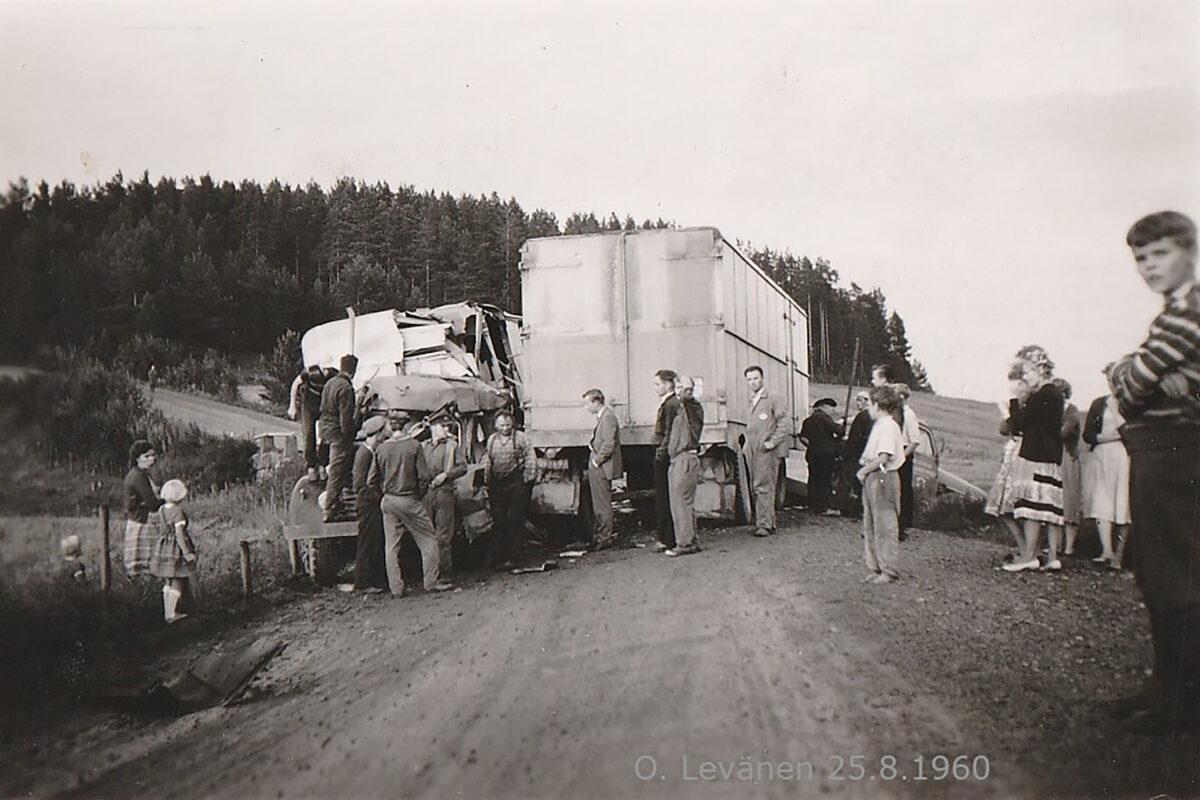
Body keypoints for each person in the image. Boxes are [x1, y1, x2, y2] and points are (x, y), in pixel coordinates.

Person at [1108, 210, 1200, 734]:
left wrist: (1127, 368)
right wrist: (1137, 372)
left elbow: (1130, 387)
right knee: (1157, 572)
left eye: (1160, 254)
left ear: (1189, 251)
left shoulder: (1188, 312)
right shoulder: (1174, 314)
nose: (1148, 266)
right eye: (1141, 258)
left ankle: (1183, 703)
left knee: (1177, 576)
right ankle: (1166, 685)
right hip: (1157, 451)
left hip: (1176, 452)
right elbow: (1138, 382)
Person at [367, 414, 453, 596]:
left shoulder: (381, 448)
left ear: (391, 427)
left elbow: (371, 480)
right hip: (409, 499)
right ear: (406, 426)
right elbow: (423, 477)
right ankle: (431, 581)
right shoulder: (414, 446)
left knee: (391, 546)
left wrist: (383, 494)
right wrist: (418, 496)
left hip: (388, 501)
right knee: (429, 539)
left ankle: (396, 588)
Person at [1001, 346, 1066, 572]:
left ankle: (1029, 556)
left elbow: (1020, 422)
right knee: (1041, 508)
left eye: (1028, 371)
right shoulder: (1053, 394)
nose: (1025, 377)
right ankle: (1035, 555)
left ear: (1040, 368)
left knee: (1031, 508)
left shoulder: (1043, 395)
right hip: (1049, 456)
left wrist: (1012, 399)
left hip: (1037, 455)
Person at [856, 384, 906, 584]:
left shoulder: (888, 425)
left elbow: (884, 456)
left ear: (877, 405)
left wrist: (864, 470)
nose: (868, 408)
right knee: (871, 523)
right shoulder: (880, 425)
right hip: (874, 477)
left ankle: (889, 569)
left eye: (870, 404)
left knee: (885, 524)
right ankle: (876, 567)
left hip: (883, 476)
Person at [1082, 364, 1131, 569]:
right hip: (1102, 455)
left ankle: (1119, 556)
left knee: (1122, 501)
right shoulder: (1099, 403)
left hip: (1124, 455)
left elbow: (1133, 433)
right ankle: (1106, 550)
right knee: (1102, 501)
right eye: (1109, 381)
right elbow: (1088, 434)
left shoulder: (1132, 404)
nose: (1112, 385)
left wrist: (1121, 433)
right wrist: (1104, 437)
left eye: (1115, 381)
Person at [482, 410, 537, 570]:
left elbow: (530, 457)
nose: (505, 428)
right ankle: (498, 557)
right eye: (501, 425)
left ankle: (514, 558)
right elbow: (487, 459)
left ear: (512, 424)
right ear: (496, 425)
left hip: (516, 482)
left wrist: (528, 479)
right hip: (497, 484)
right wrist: (487, 478)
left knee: (515, 519)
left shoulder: (521, 438)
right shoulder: (492, 440)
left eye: (507, 425)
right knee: (499, 521)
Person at [743, 365, 792, 537]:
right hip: (752, 447)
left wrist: (772, 442)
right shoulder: (752, 400)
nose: (753, 382)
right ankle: (768, 522)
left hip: (765, 448)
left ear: (762, 378)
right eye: (749, 379)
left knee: (763, 484)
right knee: (756, 484)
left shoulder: (773, 398)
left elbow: (784, 423)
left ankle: (764, 524)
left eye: (755, 378)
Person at [984, 383, 1026, 563]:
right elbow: (1003, 429)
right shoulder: (1016, 410)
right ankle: (1025, 548)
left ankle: (1028, 550)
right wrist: (1009, 414)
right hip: (1012, 455)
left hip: (1022, 457)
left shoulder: (1030, 411)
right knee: (1006, 509)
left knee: (1017, 507)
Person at [422, 415, 468, 573]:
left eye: (447, 426)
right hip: (426, 493)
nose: (446, 430)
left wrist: (446, 475)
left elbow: (463, 467)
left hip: (444, 493)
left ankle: (444, 572)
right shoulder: (423, 446)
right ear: (432, 427)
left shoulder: (452, 445)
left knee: (443, 535)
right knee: (427, 534)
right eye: (443, 426)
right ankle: (429, 573)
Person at [666, 376, 705, 557]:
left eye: (682, 387)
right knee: (683, 502)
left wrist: (685, 390)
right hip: (682, 459)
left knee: (681, 501)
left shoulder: (692, 407)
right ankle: (690, 540)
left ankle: (685, 543)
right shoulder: (687, 408)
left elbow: (687, 401)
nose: (679, 390)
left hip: (685, 459)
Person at [148, 479, 196, 623]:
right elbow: (180, 535)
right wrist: (187, 553)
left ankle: (167, 612)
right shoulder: (178, 512)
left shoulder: (162, 509)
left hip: (162, 547)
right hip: (175, 549)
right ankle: (172, 613)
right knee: (177, 580)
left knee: (168, 580)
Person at [352, 415, 390, 593]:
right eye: (383, 432)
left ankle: (374, 580)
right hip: (368, 504)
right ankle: (363, 582)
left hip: (371, 503)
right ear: (377, 434)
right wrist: (377, 497)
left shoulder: (370, 452)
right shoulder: (364, 454)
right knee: (367, 542)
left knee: (375, 541)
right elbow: (360, 484)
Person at [319, 355, 359, 522]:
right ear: (354, 370)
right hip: (337, 433)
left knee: (338, 468)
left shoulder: (330, 383)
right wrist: (353, 430)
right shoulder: (346, 388)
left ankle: (339, 504)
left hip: (325, 429)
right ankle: (329, 508)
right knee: (337, 470)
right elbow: (346, 421)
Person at [582, 388, 623, 551]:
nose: (586, 407)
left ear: (596, 402)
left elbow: (608, 444)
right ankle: (600, 536)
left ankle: (604, 538)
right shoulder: (605, 417)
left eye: (587, 403)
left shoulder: (607, 418)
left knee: (602, 504)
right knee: (599, 503)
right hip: (600, 466)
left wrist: (597, 461)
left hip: (602, 467)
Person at [123, 439, 164, 576]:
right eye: (147, 456)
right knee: (143, 566)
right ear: (137, 458)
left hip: (139, 520)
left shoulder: (141, 474)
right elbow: (152, 503)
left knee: (142, 567)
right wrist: (168, 499)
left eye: (153, 455)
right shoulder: (138, 476)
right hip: (141, 523)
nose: (151, 459)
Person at [650, 369, 680, 552]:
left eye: (657, 384)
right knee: (663, 496)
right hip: (664, 453)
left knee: (665, 497)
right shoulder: (669, 403)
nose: (655, 388)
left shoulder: (670, 404)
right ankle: (666, 537)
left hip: (665, 456)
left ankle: (668, 538)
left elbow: (669, 432)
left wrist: (661, 453)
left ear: (668, 384)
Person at [1053, 377, 1083, 556]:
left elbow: (1063, 433)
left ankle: (1069, 546)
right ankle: (1055, 544)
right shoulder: (1051, 411)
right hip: (1053, 455)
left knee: (1069, 500)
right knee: (1054, 499)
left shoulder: (1071, 411)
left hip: (1067, 456)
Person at [289, 364, 333, 481]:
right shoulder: (310, 372)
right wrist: (292, 405)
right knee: (309, 434)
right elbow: (295, 385)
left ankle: (323, 464)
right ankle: (311, 465)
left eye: (329, 369)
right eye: (325, 369)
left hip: (323, 407)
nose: (326, 372)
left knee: (325, 436)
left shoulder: (334, 375)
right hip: (308, 406)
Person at [799, 398, 841, 516]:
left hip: (813, 453)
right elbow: (838, 431)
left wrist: (812, 446)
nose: (832, 410)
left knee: (813, 479)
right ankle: (822, 507)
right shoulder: (825, 418)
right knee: (824, 480)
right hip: (826, 454)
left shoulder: (808, 420)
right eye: (830, 407)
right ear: (822, 406)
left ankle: (812, 504)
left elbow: (803, 438)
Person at [893, 384, 921, 538]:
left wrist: (902, 457)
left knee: (902, 490)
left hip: (903, 453)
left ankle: (902, 527)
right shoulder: (893, 413)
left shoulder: (909, 415)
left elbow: (915, 440)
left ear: (902, 397)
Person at [841, 391, 873, 518]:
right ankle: (862, 509)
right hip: (868, 455)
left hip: (856, 455)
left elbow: (855, 438)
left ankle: (843, 508)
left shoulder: (862, 416)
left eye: (860, 400)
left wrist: (846, 452)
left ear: (866, 400)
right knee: (863, 484)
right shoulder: (874, 416)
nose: (858, 403)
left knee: (846, 481)